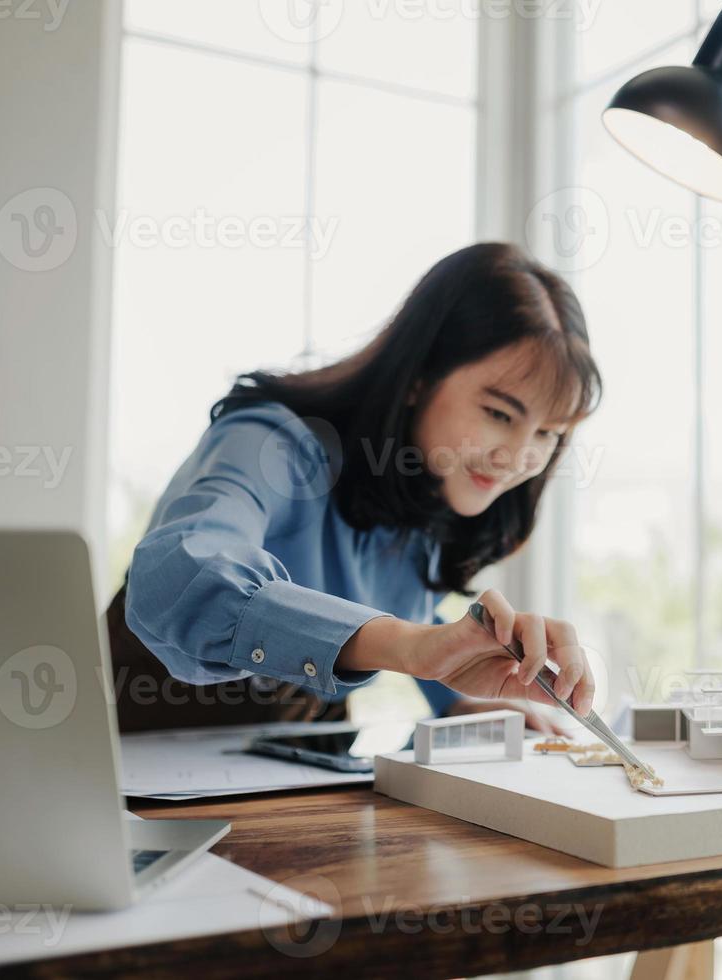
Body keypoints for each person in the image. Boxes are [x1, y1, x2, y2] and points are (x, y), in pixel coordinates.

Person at [105, 242, 601, 733]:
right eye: (498, 413)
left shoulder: (430, 485)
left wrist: (455, 699)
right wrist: (407, 646)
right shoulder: (272, 443)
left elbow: (410, 608)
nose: (517, 459)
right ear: (419, 378)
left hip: (290, 768)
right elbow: (181, 573)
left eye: (548, 432)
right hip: (124, 761)